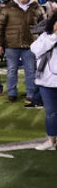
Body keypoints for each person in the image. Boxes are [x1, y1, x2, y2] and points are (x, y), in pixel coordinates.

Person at [0, 0, 45, 106]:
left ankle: (31, 95)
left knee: (31, 71)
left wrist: (42, 45)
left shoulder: (38, 8)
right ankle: (12, 94)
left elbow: (44, 28)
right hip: (11, 45)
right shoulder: (8, 8)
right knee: (11, 70)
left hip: (31, 45)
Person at [31, 12, 57, 150]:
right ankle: (51, 140)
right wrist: (54, 37)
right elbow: (35, 50)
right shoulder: (46, 36)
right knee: (51, 113)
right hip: (47, 81)